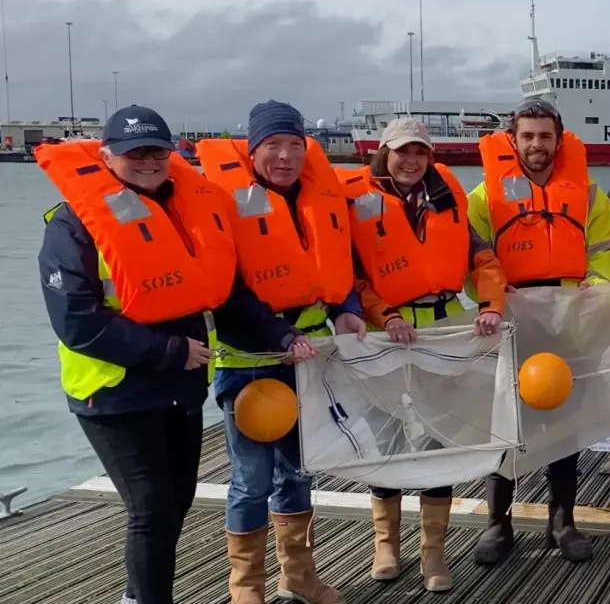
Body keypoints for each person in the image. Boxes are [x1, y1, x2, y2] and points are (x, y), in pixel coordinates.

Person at [35, 106, 305, 604]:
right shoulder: (72, 225)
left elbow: (228, 293)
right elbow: (76, 320)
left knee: (176, 501)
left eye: (157, 150)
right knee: (152, 507)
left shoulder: (192, 211)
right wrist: (168, 351)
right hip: (111, 389)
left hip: (179, 385)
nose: (148, 161)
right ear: (106, 156)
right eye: (134, 152)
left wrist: (281, 335)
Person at [196, 100, 362, 604]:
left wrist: (347, 310)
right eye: (273, 146)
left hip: (308, 363)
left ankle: (298, 576)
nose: (286, 157)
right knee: (250, 479)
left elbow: (339, 264)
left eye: (295, 145)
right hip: (250, 364)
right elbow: (226, 292)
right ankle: (245, 585)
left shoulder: (321, 200)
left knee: (297, 471)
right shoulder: (224, 203)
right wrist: (280, 337)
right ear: (252, 152)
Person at [339, 117, 507, 592]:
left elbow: (484, 260)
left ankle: (433, 551)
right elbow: (350, 277)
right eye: (401, 151)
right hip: (382, 336)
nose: (411, 160)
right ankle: (385, 544)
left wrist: (492, 305)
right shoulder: (357, 203)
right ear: (384, 153)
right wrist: (383, 313)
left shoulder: (449, 200)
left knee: (440, 439)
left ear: (430, 157)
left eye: (420, 152)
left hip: (442, 332)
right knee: (386, 436)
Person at [466, 98, 610, 566]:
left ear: (559, 139)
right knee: (504, 425)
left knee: (564, 423)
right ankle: (498, 523)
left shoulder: (590, 196)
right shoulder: (482, 198)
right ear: (512, 140)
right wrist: (493, 292)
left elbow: (604, 255)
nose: (537, 145)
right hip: (508, 322)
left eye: (545, 136)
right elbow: (471, 261)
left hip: (568, 321)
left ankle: (563, 521)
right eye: (527, 136)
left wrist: (595, 287)